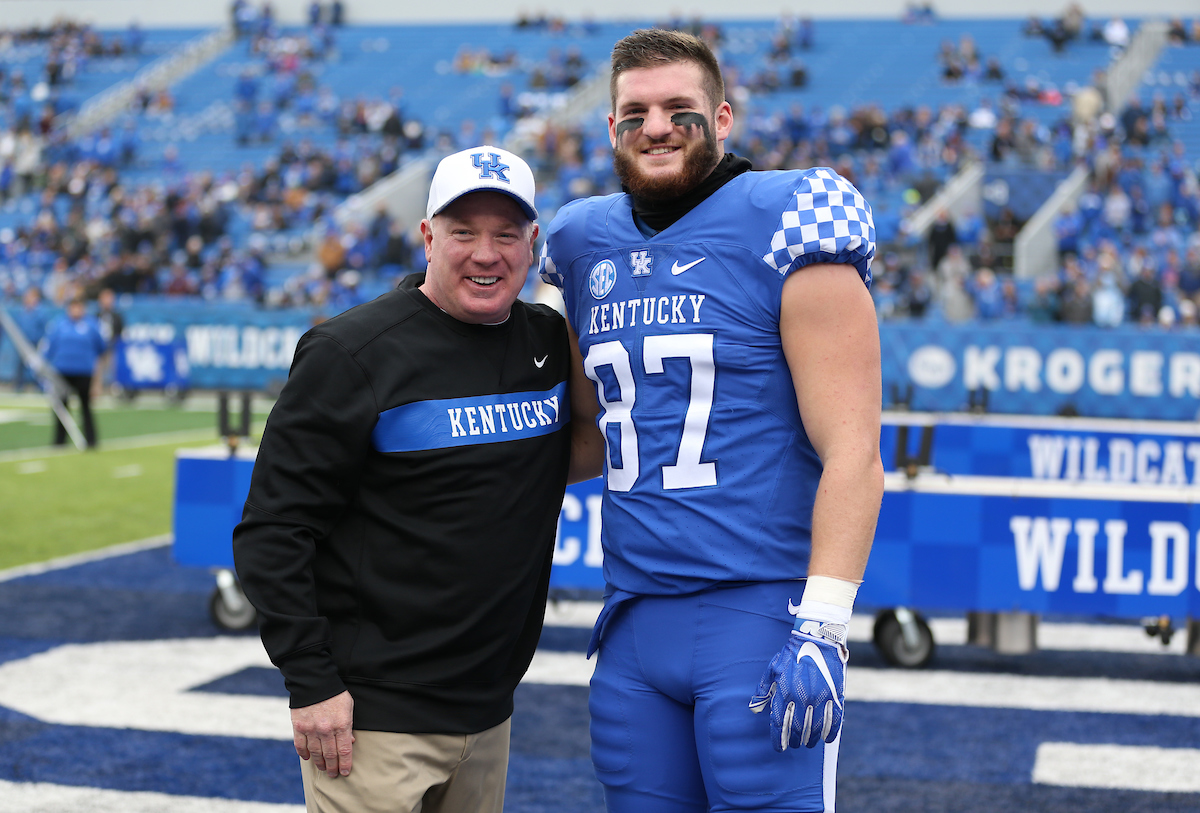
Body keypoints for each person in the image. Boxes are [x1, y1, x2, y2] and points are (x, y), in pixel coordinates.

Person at [539, 28, 883, 813]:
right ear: (612, 128)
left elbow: (853, 452)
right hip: (630, 622)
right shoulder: (582, 242)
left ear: (722, 119)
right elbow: (589, 437)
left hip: (758, 615)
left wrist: (823, 627)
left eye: (678, 108)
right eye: (635, 112)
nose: (655, 126)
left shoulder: (789, 218)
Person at [233, 145, 592, 813]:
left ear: (532, 242)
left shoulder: (547, 340)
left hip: (490, 711)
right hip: (373, 720)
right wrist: (310, 681)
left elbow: (581, 446)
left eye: (506, 233)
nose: (487, 253)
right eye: (463, 232)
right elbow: (273, 528)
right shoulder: (352, 352)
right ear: (427, 236)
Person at [42, 297, 106, 447]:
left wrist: (98, 377)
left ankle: (91, 440)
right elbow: (49, 347)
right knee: (61, 407)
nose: (76, 310)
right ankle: (60, 441)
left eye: (79, 307)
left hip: (83, 371)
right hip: (62, 372)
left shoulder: (91, 325)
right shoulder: (59, 324)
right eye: (73, 307)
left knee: (85, 406)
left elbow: (101, 348)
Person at [8, 286, 49, 391]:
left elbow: (44, 329)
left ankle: (40, 388)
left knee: (37, 368)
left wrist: (40, 342)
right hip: (22, 343)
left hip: (35, 344)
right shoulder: (22, 312)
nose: (28, 298)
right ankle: (18, 387)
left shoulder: (40, 312)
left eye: (31, 296)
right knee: (19, 367)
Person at [92, 288, 124, 397]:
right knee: (97, 371)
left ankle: (113, 391)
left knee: (113, 370)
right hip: (98, 349)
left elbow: (120, 331)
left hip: (112, 346)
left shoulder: (117, 316)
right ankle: (97, 392)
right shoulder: (96, 316)